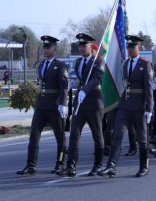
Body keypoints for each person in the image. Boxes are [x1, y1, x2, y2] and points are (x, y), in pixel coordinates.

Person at [99, 35, 153, 177]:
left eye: (132, 47)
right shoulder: (125, 63)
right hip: (124, 105)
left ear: (139, 48)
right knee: (117, 135)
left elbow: (148, 88)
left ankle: (143, 166)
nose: (129, 49)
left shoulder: (145, 64)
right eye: (128, 47)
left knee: (142, 138)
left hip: (139, 106)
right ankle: (111, 166)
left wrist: (149, 109)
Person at [17, 36, 68, 175]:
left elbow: (64, 87)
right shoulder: (41, 65)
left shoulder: (60, 65)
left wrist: (63, 103)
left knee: (60, 136)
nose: (46, 49)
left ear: (54, 48)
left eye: (48, 47)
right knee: (34, 135)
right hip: (41, 106)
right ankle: (31, 165)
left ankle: (60, 163)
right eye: (44, 47)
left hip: (54, 106)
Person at [59, 33, 105, 177]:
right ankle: (70, 166)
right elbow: (80, 79)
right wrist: (76, 87)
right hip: (80, 102)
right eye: (80, 45)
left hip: (94, 101)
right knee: (74, 134)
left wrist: (85, 90)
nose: (81, 48)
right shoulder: (78, 62)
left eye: (84, 45)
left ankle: (97, 165)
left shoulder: (98, 61)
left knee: (97, 135)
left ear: (91, 46)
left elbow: (97, 78)